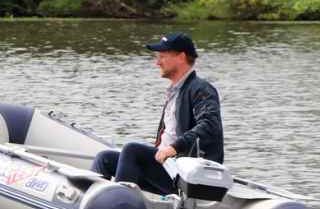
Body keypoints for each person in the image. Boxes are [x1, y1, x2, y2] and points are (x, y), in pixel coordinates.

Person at [91, 32, 223, 196]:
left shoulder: (201, 89)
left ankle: (120, 205)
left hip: (188, 175)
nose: (157, 62)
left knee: (132, 150)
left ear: (181, 57)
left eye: (162, 56)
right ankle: (97, 205)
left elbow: (210, 125)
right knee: (105, 158)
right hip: (167, 167)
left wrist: (174, 148)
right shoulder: (176, 91)